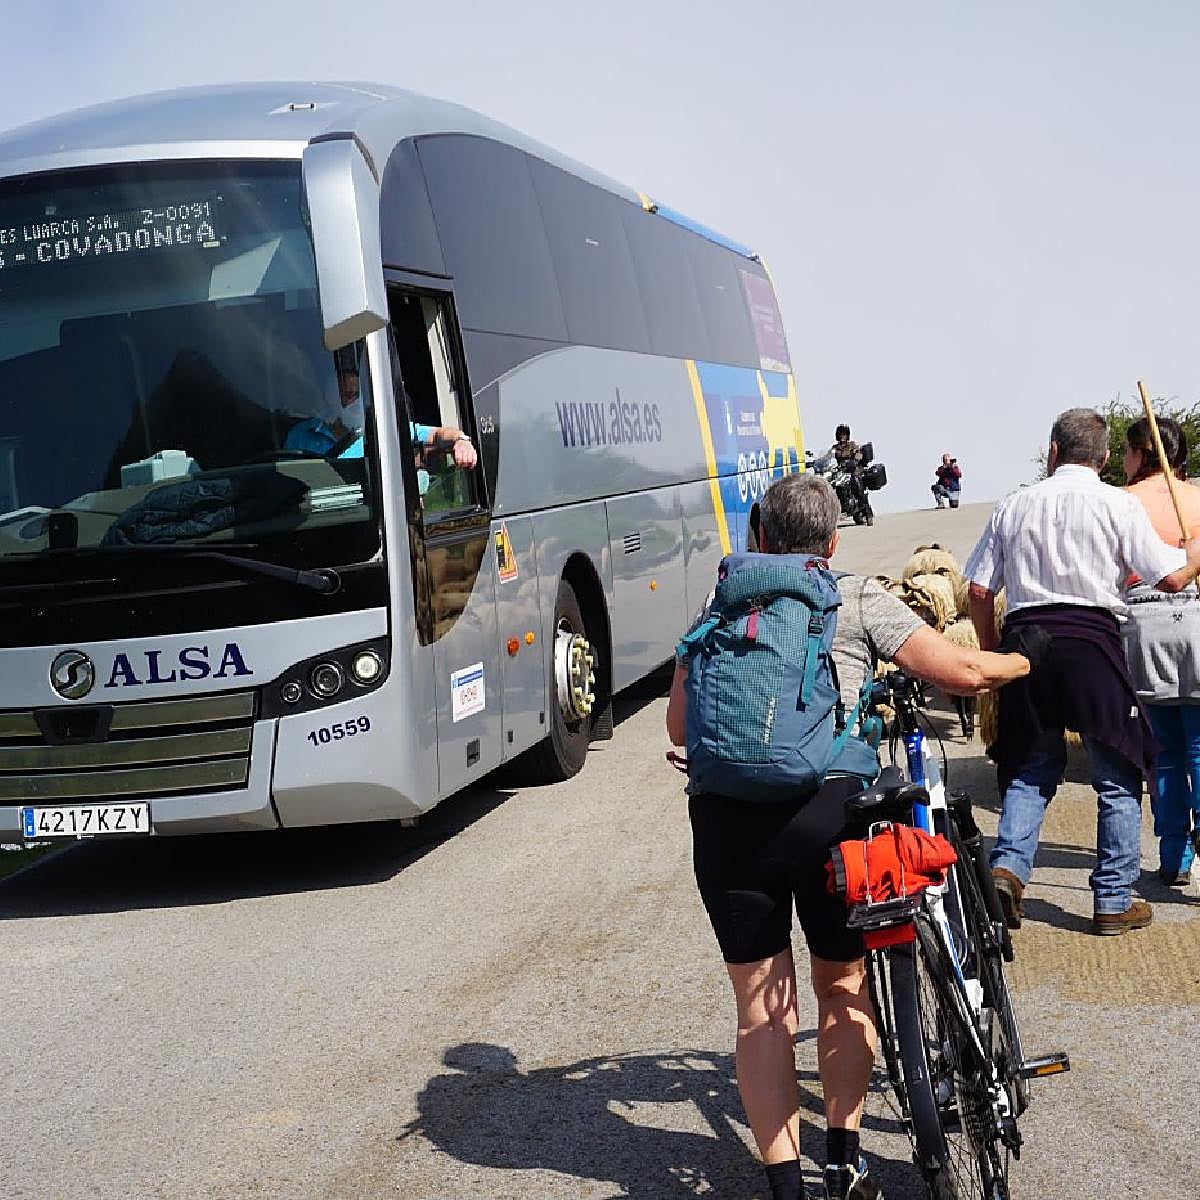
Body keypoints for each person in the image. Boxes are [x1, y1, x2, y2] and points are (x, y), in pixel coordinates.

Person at [666, 472, 1037, 1200]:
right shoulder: (856, 595)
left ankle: (784, 1187)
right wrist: (1027, 660)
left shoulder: (721, 602)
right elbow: (960, 672)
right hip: (829, 820)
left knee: (761, 1011)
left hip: (727, 823)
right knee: (841, 986)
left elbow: (680, 726)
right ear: (833, 541)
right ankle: (843, 1158)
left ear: (759, 539)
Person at [966, 408, 1200, 937]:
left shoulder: (1014, 504)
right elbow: (1169, 579)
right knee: (1117, 775)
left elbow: (979, 590)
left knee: (1030, 767)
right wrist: (1193, 555)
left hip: (1028, 644)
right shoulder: (1117, 502)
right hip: (1094, 642)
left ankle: (1008, 869)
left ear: (1052, 452)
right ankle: (1113, 900)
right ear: (1101, 459)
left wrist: (991, 650)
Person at [1121, 416, 1200, 884]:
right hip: (1195, 620)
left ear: (1141, 452)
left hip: (1143, 627)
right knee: (1198, 747)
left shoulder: (1122, 502)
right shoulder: (1198, 498)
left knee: (1165, 753)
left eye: (1129, 453)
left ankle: (1173, 855)